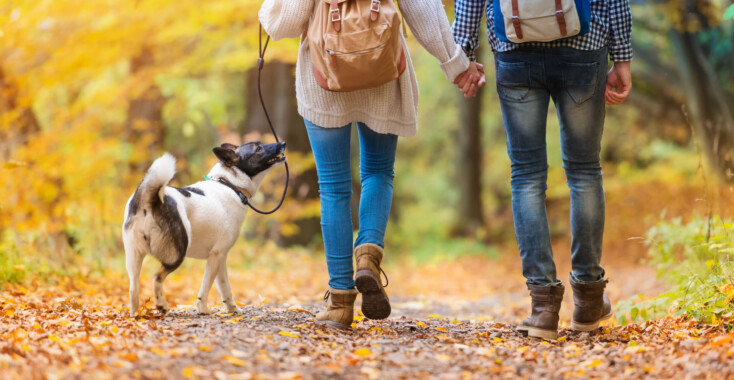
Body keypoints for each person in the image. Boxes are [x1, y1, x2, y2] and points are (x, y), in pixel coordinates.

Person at [259, 0, 486, 330]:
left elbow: (283, 24)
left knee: (334, 188)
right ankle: (368, 255)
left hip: (325, 73)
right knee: (378, 171)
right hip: (383, 69)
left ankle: (339, 302)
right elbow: (423, 10)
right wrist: (457, 66)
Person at [453, 0, 633, 339]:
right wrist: (622, 56)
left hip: (515, 50)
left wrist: (463, 56)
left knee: (526, 176)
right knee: (584, 172)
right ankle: (589, 301)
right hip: (583, 47)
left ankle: (543, 309)